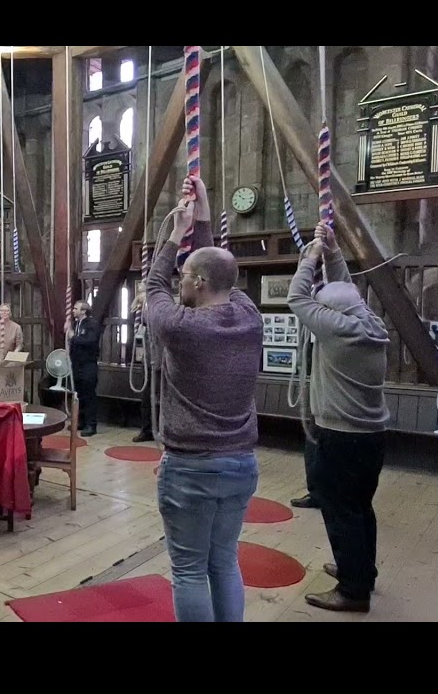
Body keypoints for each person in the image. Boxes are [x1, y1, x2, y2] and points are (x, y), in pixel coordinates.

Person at [145, 175, 262, 623]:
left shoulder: (181, 326)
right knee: (224, 561)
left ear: (193, 280)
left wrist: (176, 233)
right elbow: (219, 272)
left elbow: (155, 286)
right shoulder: (249, 317)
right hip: (240, 464)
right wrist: (205, 217)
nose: (180, 284)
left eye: (187, 278)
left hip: (191, 467)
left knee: (190, 570)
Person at [287, 220, 390, 613]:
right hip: (372, 436)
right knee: (361, 507)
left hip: (342, 436)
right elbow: (346, 290)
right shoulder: (369, 323)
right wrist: (331, 252)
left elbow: (298, 298)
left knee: (340, 510)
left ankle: (352, 590)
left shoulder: (338, 333)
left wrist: (311, 257)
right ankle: (362, 571)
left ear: (332, 313)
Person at [68, 300, 100, 437]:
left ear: (83, 311)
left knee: (89, 395)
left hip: (88, 364)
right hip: (77, 364)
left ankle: (91, 425)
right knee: (78, 394)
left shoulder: (92, 324)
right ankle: (80, 421)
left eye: (76, 309)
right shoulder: (76, 324)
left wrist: (73, 338)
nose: (73, 311)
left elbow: (90, 341)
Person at [131, 283, 155, 443]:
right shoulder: (143, 312)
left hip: (158, 360)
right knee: (146, 397)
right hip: (148, 360)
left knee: (157, 398)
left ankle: (158, 428)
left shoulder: (156, 309)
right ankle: (147, 429)